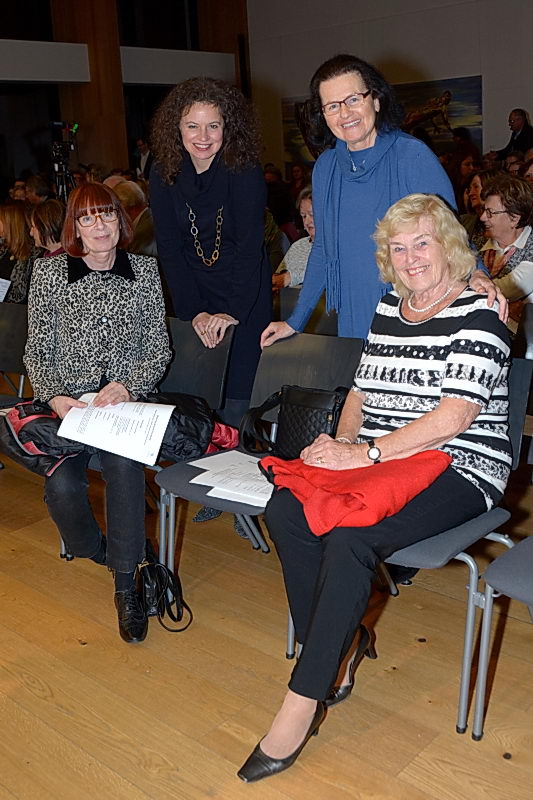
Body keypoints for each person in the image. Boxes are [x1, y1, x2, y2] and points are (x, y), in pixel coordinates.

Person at [237, 193, 511, 783]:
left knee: (351, 540)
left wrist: (361, 454)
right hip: (379, 460)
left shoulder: (482, 313)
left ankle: (301, 701)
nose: (411, 258)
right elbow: (361, 393)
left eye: (423, 243)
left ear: (449, 245)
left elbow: (455, 418)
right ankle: (338, 647)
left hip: (460, 465)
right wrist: (339, 446)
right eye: (398, 247)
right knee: (286, 509)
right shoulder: (390, 305)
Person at [260, 54, 496, 349]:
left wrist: (477, 273)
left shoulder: (412, 156)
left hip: (411, 307)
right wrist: (295, 321)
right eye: (332, 106)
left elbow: (452, 235)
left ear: (375, 100)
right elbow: (322, 249)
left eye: (353, 99)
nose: (344, 113)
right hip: (352, 313)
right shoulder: (325, 168)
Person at [23, 182, 171, 644]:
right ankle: (107, 552)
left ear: (120, 221)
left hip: (126, 405)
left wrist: (127, 386)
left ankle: (126, 587)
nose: (99, 225)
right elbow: (37, 350)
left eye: (106, 214)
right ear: (75, 227)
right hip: (68, 406)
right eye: (87, 217)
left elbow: (158, 349)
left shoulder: (144, 271)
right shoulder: (49, 274)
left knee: (123, 467)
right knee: (64, 488)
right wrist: (53, 396)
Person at [150, 76, 272, 427]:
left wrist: (231, 312)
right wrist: (195, 311)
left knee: (238, 404)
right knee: (195, 400)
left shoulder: (244, 169)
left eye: (213, 126)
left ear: (227, 127)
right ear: (177, 128)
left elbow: (249, 249)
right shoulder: (163, 172)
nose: (203, 137)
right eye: (193, 126)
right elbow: (170, 249)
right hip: (195, 292)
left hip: (244, 292)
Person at [478, 174, 533, 328]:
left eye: (490, 212)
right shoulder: (478, 243)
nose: (482, 217)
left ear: (514, 218)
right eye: (484, 210)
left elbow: (506, 288)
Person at [273, 188, 314, 289]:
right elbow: (279, 278)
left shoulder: (337, 249)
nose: (307, 222)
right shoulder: (297, 246)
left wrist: (291, 278)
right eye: (304, 216)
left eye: (312, 215)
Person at [0, 202, 41, 302]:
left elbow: (22, 294)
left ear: (10, 224)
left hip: (16, 309)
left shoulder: (33, 255)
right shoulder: (3, 248)